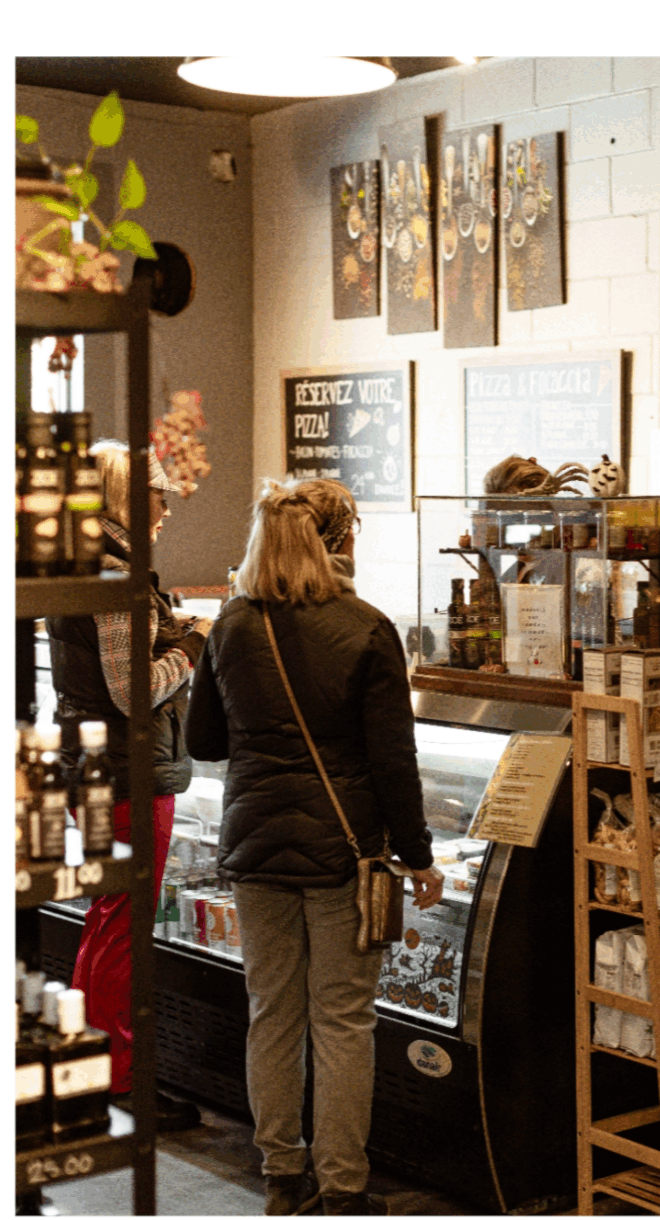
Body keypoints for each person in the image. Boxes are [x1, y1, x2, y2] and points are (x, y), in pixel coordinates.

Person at [184, 477, 443, 1218]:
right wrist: (418, 857)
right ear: (342, 540)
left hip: (256, 848)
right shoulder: (366, 627)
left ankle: (280, 1175)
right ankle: (342, 1187)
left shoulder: (232, 624)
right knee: (342, 1019)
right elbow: (394, 761)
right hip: (342, 850)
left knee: (272, 1011)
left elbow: (204, 742)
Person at [45, 440, 212, 1131]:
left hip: (92, 768)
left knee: (105, 921)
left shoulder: (89, 563)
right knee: (122, 928)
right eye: (158, 493)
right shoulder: (117, 572)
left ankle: (90, 1067)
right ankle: (121, 1081)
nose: (169, 506)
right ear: (124, 497)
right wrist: (194, 642)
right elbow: (132, 691)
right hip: (128, 773)